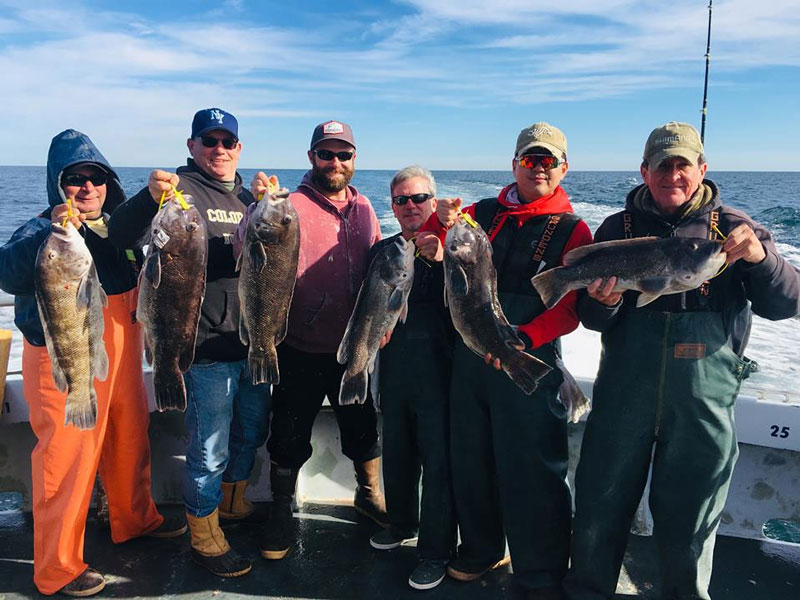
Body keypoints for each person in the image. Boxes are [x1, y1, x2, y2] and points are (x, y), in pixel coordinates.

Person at [563, 122, 800, 600]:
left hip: (702, 402)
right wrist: (604, 302)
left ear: (702, 169)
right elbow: (592, 319)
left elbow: (786, 303)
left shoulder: (736, 230)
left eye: (682, 165)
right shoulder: (617, 229)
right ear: (644, 171)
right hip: (624, 393)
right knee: (598, 504)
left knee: (692, 518)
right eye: (662, 166)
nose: (672, 175)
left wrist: (761, 260)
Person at [0, 129, 186, 597]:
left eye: (96, 178)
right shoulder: (43, 230)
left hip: (123, 355)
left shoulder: (119, 230)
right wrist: (51, 231)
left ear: (109, 184)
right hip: (64, 356)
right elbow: (7, 271)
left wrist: (154, 197)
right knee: (65, 460)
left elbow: (138, 231)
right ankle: (57, 567)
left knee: (130, 439)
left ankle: (135, 520)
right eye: (75, 179)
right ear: (56, 185)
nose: (87, 187)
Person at [422, 122, 593, 600]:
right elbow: (433, 245)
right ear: (514, 164)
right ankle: (480, 549)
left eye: (548, 161)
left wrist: (524, 339)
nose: (539, 168)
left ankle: (540, 572)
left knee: (533, 468)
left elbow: (571, 309)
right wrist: (440, 220)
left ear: (564, 168)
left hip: (528, 358)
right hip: (471, 356)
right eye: (530, 159)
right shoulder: (479, 214)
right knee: (470, 457)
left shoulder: (574, 230)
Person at [107, 108, 270, 578]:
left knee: (250, 433)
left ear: (239, 148)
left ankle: (232, 505)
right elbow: (122, 236)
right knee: (209, 450)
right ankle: (203, 533)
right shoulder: (178, 192)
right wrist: (148, 197)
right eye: (208, 141)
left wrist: (268, 202)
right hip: (202, 349)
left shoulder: (247, 197)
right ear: (191, 145)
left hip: (251, 342)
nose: (219, 150)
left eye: (227, 142)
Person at [248, 120, 384, 561]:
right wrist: (255, 208)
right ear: (311, 157)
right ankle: (281, 509)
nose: (335, 162)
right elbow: (245, 250)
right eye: (326, 154)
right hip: (298, 347)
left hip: (353, 348)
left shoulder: (365, 208)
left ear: (354, 159)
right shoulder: (289, 205)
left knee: (363, 430)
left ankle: (369, 493)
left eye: (343, 154)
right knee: (288, 436)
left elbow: (380, 273)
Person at [366, 166, 457, 590]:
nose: (410, 206)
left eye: (418, 198)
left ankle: (436, 551)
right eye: (401, 200)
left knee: (439, 466)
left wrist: (441, 257)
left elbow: (470, 299)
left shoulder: (454, 249)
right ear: (392, 206)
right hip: (394, 371)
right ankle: (401, 522)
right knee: (397, 454)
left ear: (433, 202)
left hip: (441, 374)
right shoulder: (382, 251)